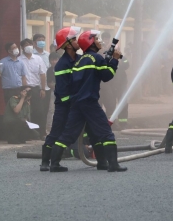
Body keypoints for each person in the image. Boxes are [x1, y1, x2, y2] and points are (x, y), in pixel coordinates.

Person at [49, 30, 127, 173]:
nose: (99, 41)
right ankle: (113, 164)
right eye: (96, 39)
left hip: (77, 103)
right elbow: (107, 75)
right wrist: (114, 60)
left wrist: (107, 60)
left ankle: (54, 164)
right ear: (91, 43)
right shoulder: (96, 58)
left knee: (69, 135)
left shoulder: (79, 60)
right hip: (90, 102)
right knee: (106, 133)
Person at [41, 27, 84, 171]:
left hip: (76, 103)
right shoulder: (62, 64)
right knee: (56, 132)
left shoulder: (79, 59)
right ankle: (46, 162)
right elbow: (63, 90)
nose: (77, 41)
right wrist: (70, 102)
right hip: (64, 105)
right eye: (73, 39)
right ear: (67, 44)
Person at [99, 31, 130, 129]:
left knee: (123, 103)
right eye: (104, 39)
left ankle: (123, 123)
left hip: (121, 83)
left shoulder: (118, 54)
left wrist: (119, 57)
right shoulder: (103, 54)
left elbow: (126, 64)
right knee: (110, 104)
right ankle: (112, 122)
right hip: (110, 84)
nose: (106, 41)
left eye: (107, 39)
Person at [19, 38, 47, 138]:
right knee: (25, 113)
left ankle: (41, 133)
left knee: (39, 111)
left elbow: (42, 74)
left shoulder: (38, 59)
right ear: (22, 48)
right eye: (26, 44)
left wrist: (42, 89)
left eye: (30, 44)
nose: (28, 46)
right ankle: (28, 134)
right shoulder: (19, 60)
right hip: (24, 89)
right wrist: (25, 88)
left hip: (36, 88)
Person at [45, 52, 60, 135]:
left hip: (65, 92)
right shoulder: (50, 70)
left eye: (56, 59)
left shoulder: (64, 68)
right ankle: (49, 131)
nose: (54, 62)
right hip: (54, 92)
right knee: (51, 110)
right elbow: (49, 83)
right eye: (52, 60)